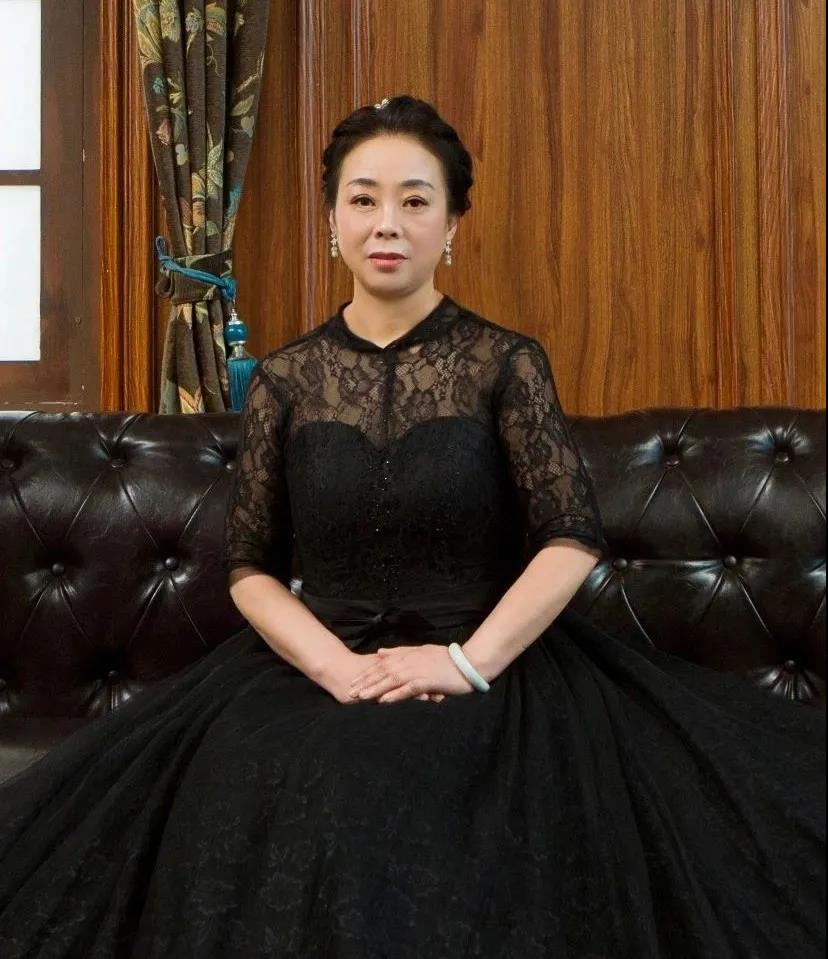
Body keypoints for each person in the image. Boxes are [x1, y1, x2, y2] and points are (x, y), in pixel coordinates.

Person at [0, 95, 823, 959]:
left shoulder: (506, 363)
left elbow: (570, 536)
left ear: (452, 223)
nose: (386, 223)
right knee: (285, 782)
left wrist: (465, 663)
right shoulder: (286, 379)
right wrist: (339, 669)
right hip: (318, 666)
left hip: (489, 667)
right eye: (363, 199)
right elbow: (249, 566)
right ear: (332, 220)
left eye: (415, 199)